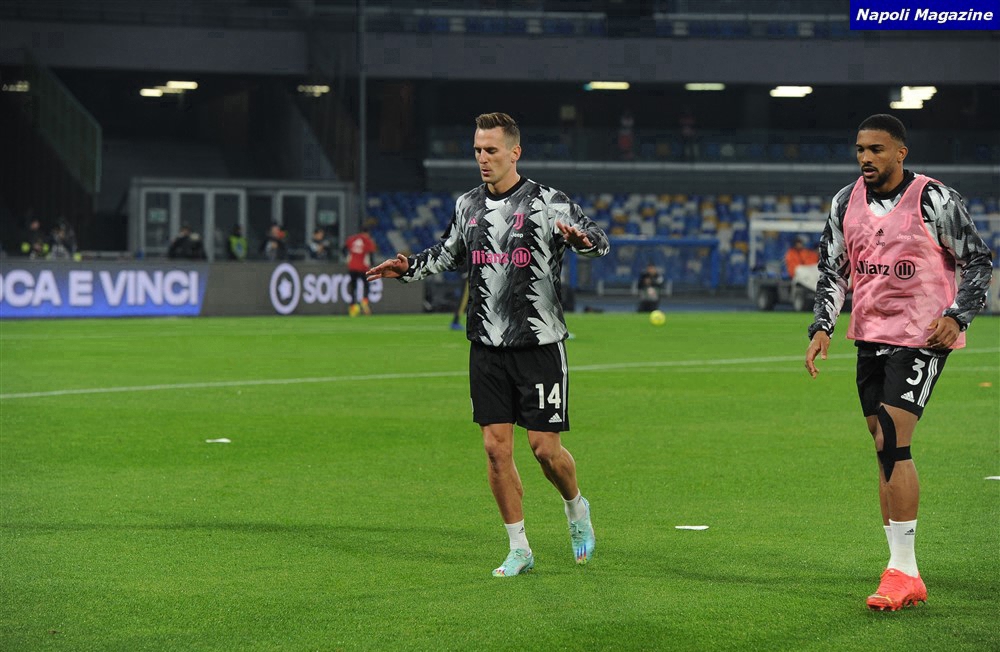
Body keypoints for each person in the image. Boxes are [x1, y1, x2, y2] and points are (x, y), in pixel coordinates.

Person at [367, 112, 610, 577]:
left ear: (514, 152)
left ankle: (576, 507)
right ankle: (519, 547)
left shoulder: (548, 201)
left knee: (545, 451)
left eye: (491, 150)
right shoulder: (467, 205)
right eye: (478, 150)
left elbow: (599, 241)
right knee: (496, 450)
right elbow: (448, 252)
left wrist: (581, 241)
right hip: (485, 344)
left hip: (539, 345)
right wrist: (408, 268)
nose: (482, 158)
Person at [804, 114, 993, 611]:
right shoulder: (844, 202)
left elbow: (978, 260)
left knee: (892, 438)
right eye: (860, 149)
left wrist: (957, 316)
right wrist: (822, 327)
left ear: (900, 153)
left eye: (877, 149)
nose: (866, 158)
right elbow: (832, 270)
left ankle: (904, 571)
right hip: (870, 335)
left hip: (922, 335)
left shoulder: (935, 199)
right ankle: (898, 566)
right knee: (879, 442)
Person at [344, 225, 377, 315]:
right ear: (367, 233)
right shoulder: (368, 241)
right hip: (362, 267)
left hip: (352, 266)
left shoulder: (351, 239)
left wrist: (347, 258)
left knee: (353, 286)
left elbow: (344, 249)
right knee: (366, 285)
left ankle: (352, 306)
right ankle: (364, 301)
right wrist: (372, 265)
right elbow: (371, 255)